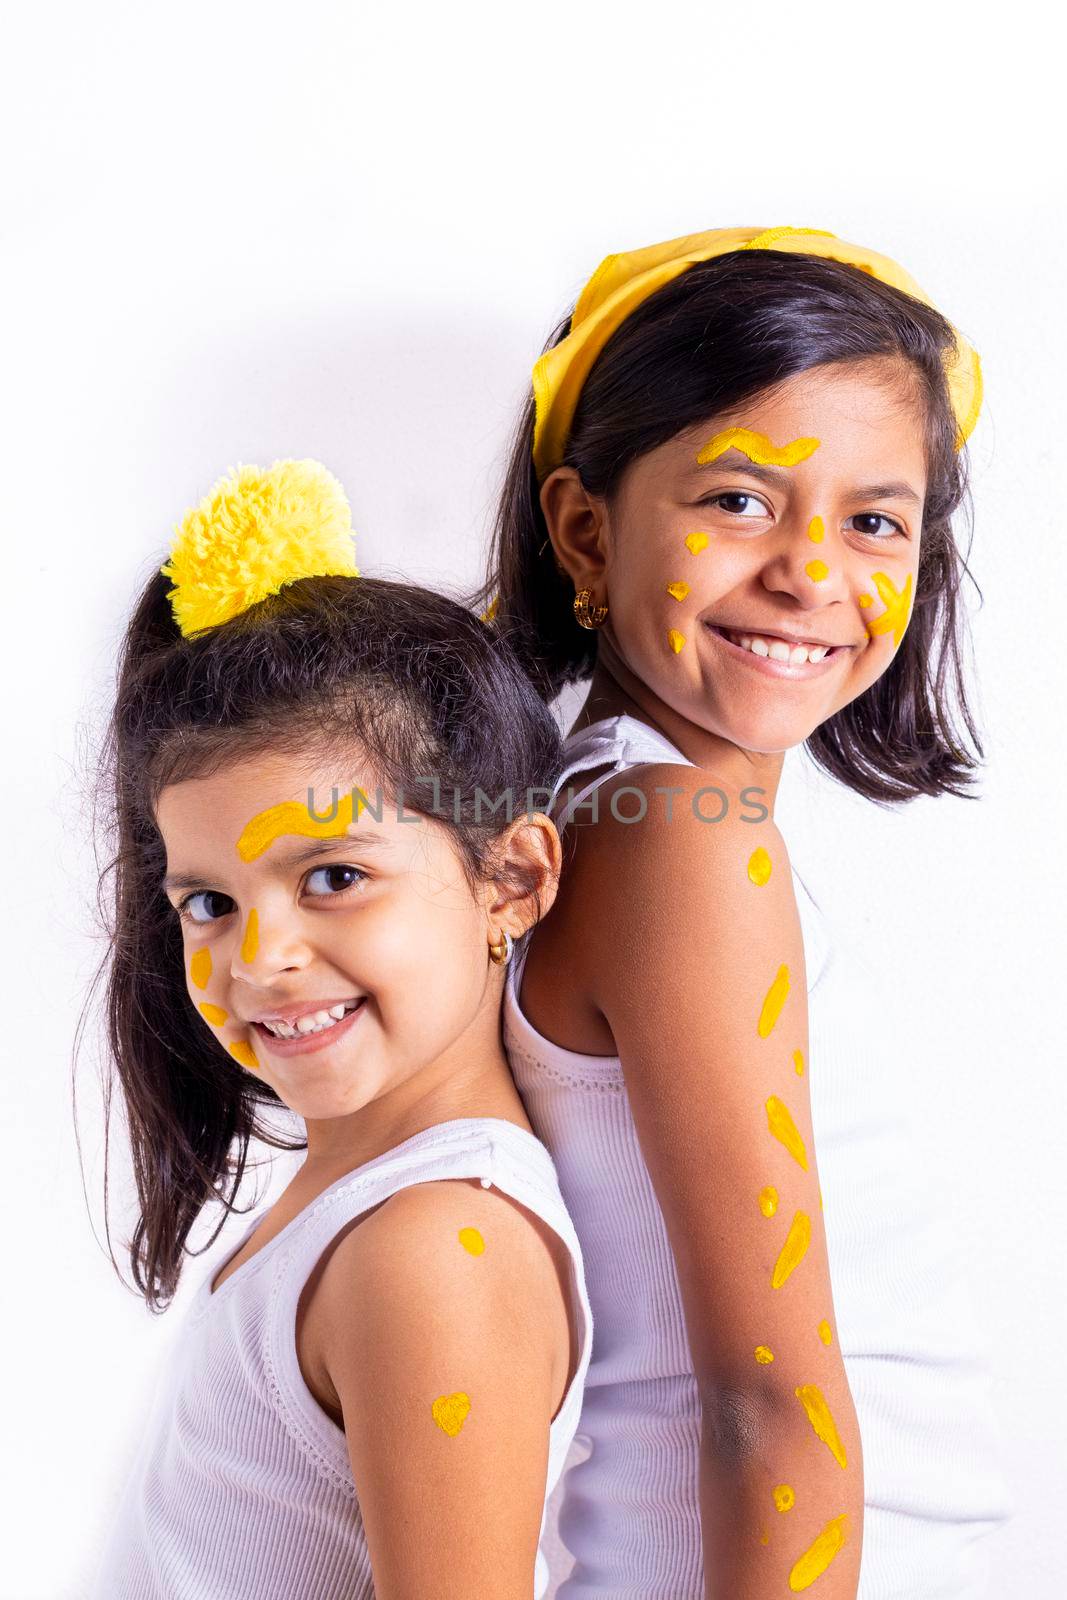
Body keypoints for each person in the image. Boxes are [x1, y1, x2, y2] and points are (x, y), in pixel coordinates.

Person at [472, 226, 1013, 1597]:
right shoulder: (682, 843)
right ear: (583, 529)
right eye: (736, 501)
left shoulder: (614, 801)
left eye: (872, 519)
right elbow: (765, 1402)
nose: (809, 572)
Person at [85, 458, 594, 1600]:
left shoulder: (430, 1252)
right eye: (208, 902)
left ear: (508, 878)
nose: (257, 958)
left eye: (334, 877)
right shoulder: (365, 1206)